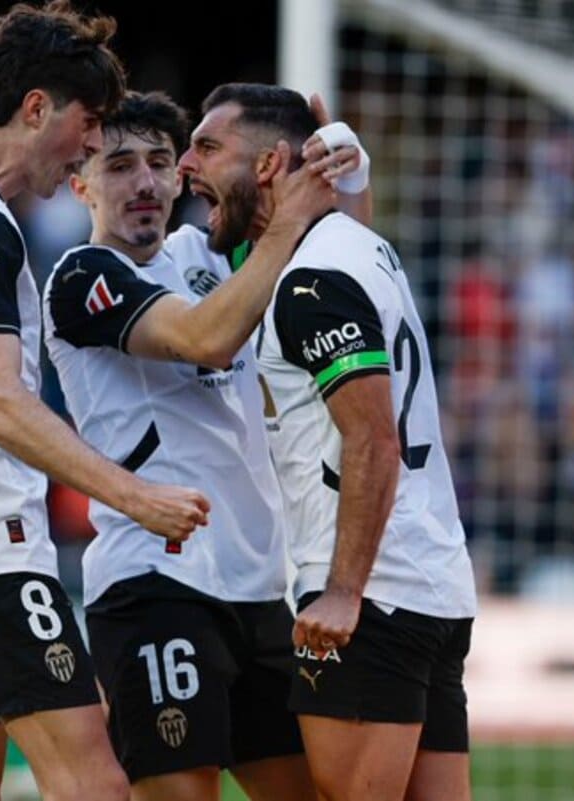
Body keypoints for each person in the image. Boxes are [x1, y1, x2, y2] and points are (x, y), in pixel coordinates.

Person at [0, 4, 211, 800]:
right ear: (35, 108)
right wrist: (133, 494)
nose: (92, 148)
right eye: (88, 126)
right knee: (95, 783)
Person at [41, 90, 358, 801]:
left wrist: (333, 164)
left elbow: (327, 250)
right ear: (79, 183)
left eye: (159, 161)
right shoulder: (81, 277)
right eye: (118, 165)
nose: (146, 183)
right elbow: (205, 339)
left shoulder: (206, 257)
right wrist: (287, 228)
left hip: (256, 587)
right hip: (156, 586)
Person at [178, 83, 479, 801]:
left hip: (369, 596)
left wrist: (343, 590)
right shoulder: (359, 249)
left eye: (208, 146)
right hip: (429, 582)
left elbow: (372, 437)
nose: (186, 163)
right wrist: (354, 180)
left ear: (270, 165)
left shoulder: (311, 282)